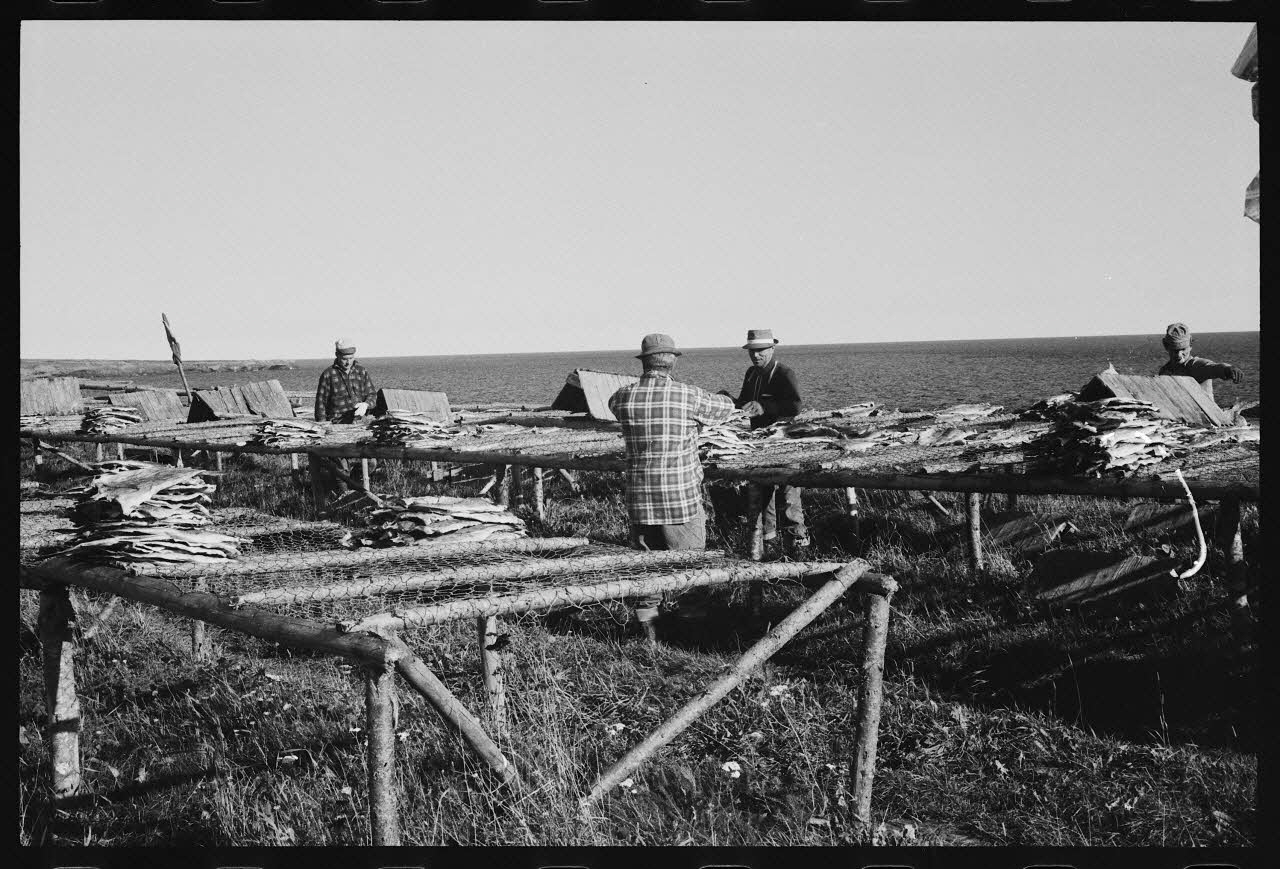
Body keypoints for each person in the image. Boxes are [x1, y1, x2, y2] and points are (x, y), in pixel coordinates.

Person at [608, 333, 736, 644]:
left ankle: (649, 634)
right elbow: (726, 408)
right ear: (672, 360)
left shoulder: (622, 398)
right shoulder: (688, 395)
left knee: (645, 569)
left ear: (644, 362)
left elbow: (612, 406)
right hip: (680, 498)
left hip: (640, 500)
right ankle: (689, 637)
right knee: (690, 569)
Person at [730, 328, 809, 556]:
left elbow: (795, 407)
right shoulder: (751, 374)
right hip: (760, 444)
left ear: (772, 349)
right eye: (752, 351)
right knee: (763, 496)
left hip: (784, 443)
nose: (756, 355)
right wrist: (731, 401)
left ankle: (798, 550)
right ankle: (769, 548)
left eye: (761, 351)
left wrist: (766, 407)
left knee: (789, 497)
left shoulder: (784, 373)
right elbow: (745, 402)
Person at [313, 338, 378, 504]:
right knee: (342, 468)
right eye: (344, 358)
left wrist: (366, 404)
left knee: (371, 462)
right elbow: (320, 404)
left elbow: (372, 395)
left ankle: (355, 488)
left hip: (358, 428)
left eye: (351, 358)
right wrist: (323, 428)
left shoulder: (362, 372)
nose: (348, 362)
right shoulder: (328, 375)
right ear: (336, 355)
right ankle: (345, 500)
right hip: (337, 427)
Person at [1157, 323, 1243, 401]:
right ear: (1166, 347)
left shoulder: (1195, 366)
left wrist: (1228, 369)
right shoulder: (1164, 371)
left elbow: (1212, 367)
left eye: (1183, 349)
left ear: (1190, 346)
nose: (1179, 355)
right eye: (1175, 350)